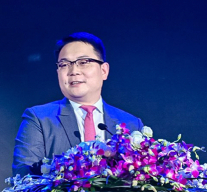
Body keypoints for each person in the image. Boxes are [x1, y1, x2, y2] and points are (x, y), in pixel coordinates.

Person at [12, 32, 144, 176]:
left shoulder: (131, 124)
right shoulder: (39, 118)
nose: (73, 71)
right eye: (64, 65)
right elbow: (23, 176)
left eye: (83, 62)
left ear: (104, 71)